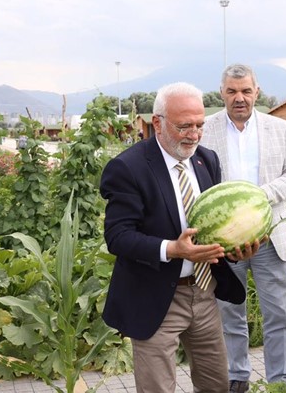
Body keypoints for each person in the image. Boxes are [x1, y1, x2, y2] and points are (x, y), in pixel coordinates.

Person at [99, 82, 258, 392]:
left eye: (199, 124)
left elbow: (216, 226)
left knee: (216, 385)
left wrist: (234, 250)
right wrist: (174, 249)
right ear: (158, 123)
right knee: (157, 388)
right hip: (156, 296)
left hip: (204, 291)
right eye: (185, 126)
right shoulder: (128, 168)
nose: (194, 134)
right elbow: (118, 236)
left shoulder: (206, 160)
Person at [199, 64, 286, 392]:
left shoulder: (279, 127)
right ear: (222, 94)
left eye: (246, 91)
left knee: (279, 316)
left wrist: (258, 197)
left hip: (269, 236)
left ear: (257, 91)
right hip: (225, 240)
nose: (239, 98)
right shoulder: (206, 128)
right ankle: (237, 376)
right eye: (232, 91)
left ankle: (279, 382)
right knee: (230, 312)